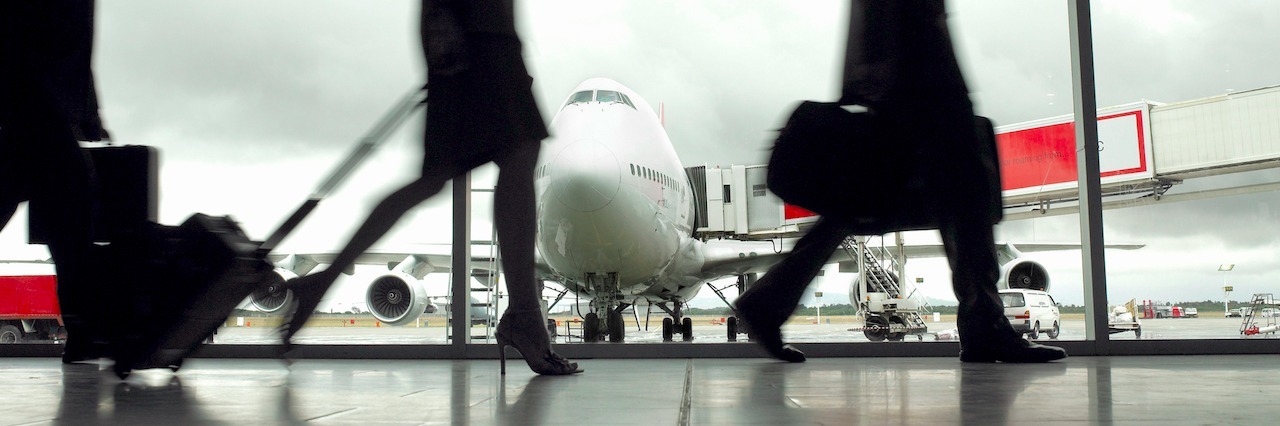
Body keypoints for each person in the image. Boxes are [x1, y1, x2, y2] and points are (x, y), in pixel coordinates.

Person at [735, 0, 1066, 363]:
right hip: (922, 89)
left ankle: (766, 302)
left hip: (910, 87)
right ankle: (984, 327)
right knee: (963, 196)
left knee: (861, 205)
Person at [280, 0, 581, 375]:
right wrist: (443, 22)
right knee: (511, 157)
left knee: (446, 177)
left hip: (485, 34)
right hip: (478, 33)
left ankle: (322, 282)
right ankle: (523, 315)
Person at [1, 0, 114, 363]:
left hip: (36, 111)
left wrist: (88, 114)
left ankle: (84, 335)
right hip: (36, 110)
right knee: (72, 223)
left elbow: (71, 57)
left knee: (69, 225)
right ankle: (83, 335)